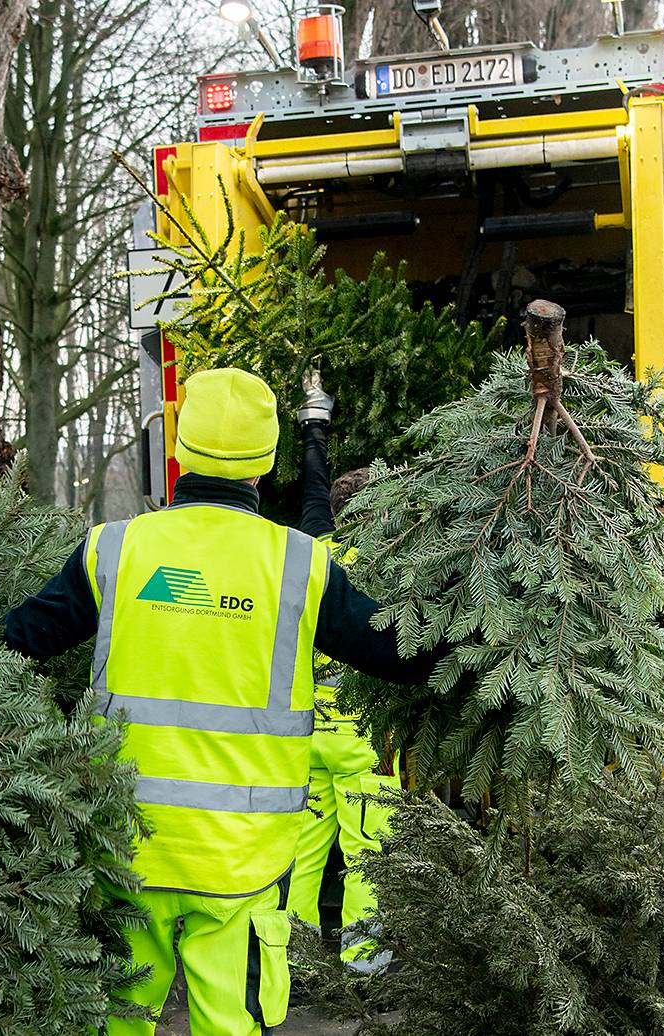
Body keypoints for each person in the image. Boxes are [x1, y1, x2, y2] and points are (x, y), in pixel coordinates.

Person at [2, 368, 433, 1036]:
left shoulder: (113, 551)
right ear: (263, 463)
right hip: (242, 861)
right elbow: (404, 658)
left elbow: (11, 644)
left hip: (124, 849)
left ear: (176, 450)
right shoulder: (300, 564)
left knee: (118, 1021)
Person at [288, 376, 398, 972]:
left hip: (306, 734)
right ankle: (365, 963)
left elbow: (312, 491)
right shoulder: (383, 570)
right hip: (363, 742)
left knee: (304, 853)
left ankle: (297, 963)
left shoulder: (313, 557)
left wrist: (314, 422)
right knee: (368, 852)